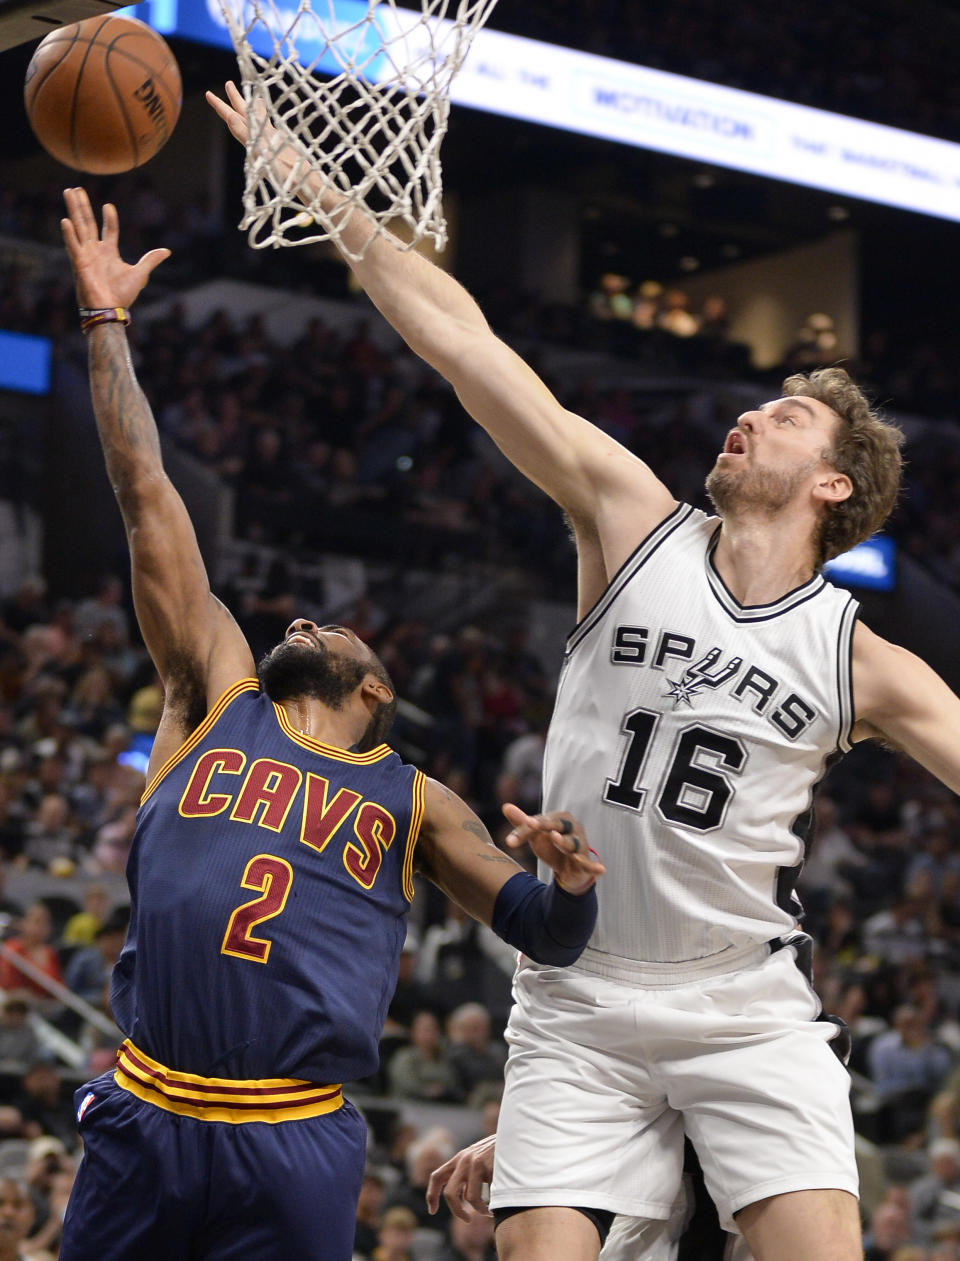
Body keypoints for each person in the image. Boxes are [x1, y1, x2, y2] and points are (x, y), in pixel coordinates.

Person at [208, 82, 960, 1261]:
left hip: (741, 1002)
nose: (747, 419)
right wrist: (325, 197)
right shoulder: (630, 520)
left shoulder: (863, 657)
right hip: (580, 997)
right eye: (754, 405)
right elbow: (468, 347)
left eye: (782, 417)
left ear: (835, 488)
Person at [55, 187, 604, 1261]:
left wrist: (574, 888)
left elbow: (544, 932)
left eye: (334, 626)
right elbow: (145, 494)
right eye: (301, 617)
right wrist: (105, 325)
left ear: (377, 691)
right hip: (150, 1107)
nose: (303, 618)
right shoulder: (213, 695)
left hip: (293, 1133)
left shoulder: (415, 799)